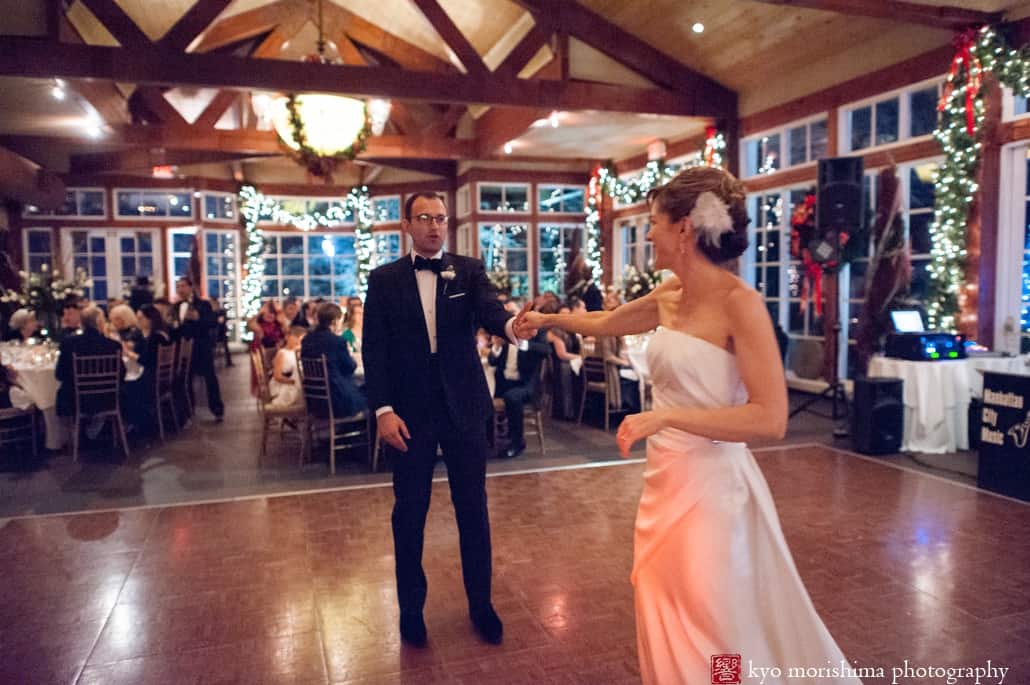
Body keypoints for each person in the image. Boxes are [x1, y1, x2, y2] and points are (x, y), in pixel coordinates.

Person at [515, 166, 860, 685]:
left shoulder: (740, 305)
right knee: (662, 598)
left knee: (717, 618)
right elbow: (608, 322)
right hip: (665, 482)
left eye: (653, 222)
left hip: (714, 490)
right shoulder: (669, 295)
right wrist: (548, 320)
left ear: (683, 229)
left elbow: (771, 418)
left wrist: (668, 416)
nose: (647, 234)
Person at [362, 191, 534, 648]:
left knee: (474, 510)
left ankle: (482, 605)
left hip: (464, 408)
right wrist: (383, 410)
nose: (435, 226)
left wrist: (513, 328)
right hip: (409, 414)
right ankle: (411, 610)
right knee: (409, 514)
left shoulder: (469, 270)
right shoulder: (384, 280)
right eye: (425, 218)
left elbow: (492, 312)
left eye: (441, 218)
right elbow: (373, 351)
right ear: (407, 225)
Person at [487, 326, 549, 458]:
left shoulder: (535, 332)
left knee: (512, 397)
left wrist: (522, 343)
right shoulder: (504, 335)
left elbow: (546, 350)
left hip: (526, 384)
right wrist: (497, 346)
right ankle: (489, 441)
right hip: (505, 383)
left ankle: (517, 443)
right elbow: (492, 361)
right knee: (483, 395)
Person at [55, 306, 124, 419]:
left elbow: (59, 374)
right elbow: (122, 374)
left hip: (76, 400)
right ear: (99, 322)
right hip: (108, 398)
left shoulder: (68, 344)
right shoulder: (114, 346)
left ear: (82, 323)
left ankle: (67, 432)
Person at [171, 278, 224, 422]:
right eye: (178, 287)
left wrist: (198, 318)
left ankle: (217, 409)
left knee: (210, 379)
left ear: (190, 287)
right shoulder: (175, 307)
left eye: (182, 286)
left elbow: (213, 323)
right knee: (184, 380)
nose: (180, 289)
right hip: (183, 350)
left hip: (201, 348)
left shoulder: (203, 304)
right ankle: (187, 412)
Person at [300, 304, 363, 417]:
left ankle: (345, 429)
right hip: (337, 400)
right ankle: (359, 431)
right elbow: (350, 367)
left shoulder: (306, 340)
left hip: (313, 400)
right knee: (369, 394)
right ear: (335, 321)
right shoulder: (337, 341)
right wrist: (349, 354)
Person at [269, 325, 306, 409]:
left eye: (301, 338)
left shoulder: (299, 352)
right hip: (282, 384)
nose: (298, 340)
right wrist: (294, 382)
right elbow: (277, 376)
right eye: (296, 337)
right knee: (300, 390)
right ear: (287, 337)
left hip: (293, 381)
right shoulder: (282, 353)